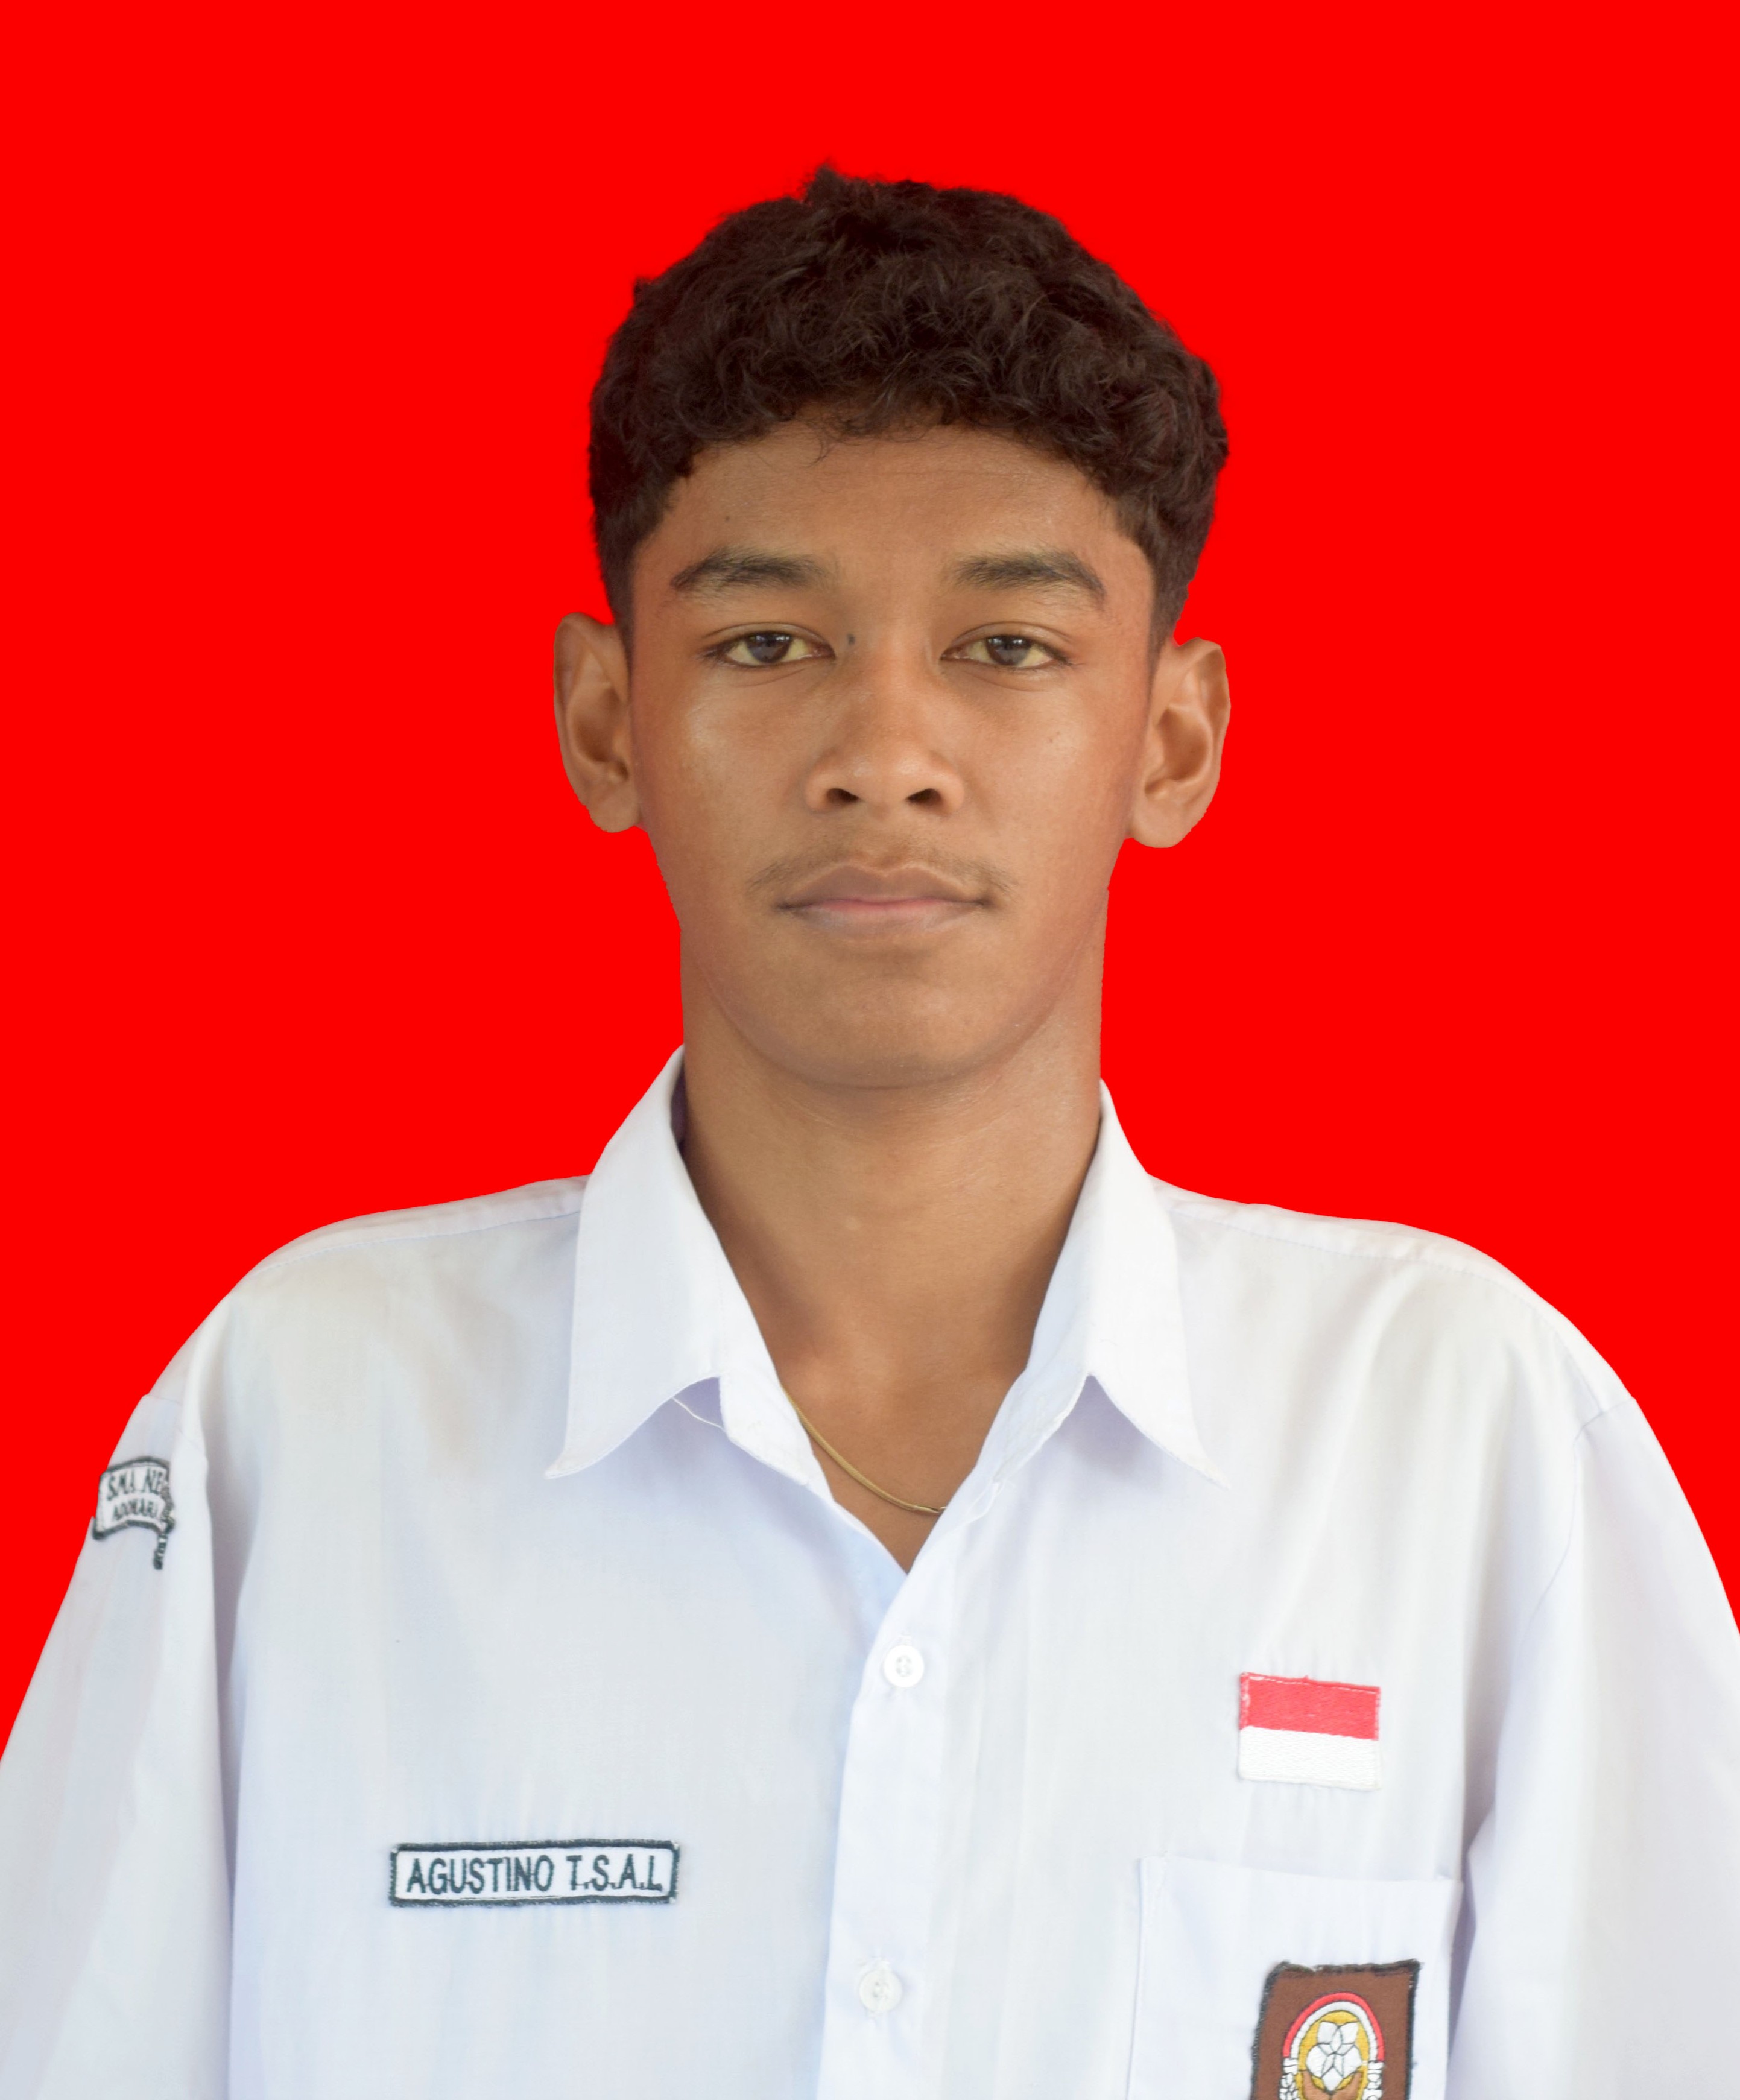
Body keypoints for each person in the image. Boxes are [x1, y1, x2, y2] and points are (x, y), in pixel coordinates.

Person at [1, 168, 1735, 2100]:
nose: (884, 753)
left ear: (1172, 740)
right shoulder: (299, 1422)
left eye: (1008, 647)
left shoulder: (1462, 1436)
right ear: (605, 719)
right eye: (767, 643)